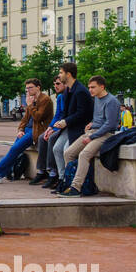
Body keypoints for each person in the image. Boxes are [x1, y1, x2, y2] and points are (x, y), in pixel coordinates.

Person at [0, 79, 53, 183]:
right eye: (26, 88)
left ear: (38, 87)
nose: (28, 90)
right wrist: (20, 129)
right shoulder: (31, 99)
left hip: (37, 130)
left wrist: (30, 105)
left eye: (30, 87)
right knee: (14, 150)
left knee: (15, 149)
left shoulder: (45, 99)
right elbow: (25, 119)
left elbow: (38, 117)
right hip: (27, 129)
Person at [61, 74, 121, 196]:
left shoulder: (112, 101)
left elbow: (110, 124)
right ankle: (70, 182)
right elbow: (99, 119)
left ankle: (76, 188)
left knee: (84, 155)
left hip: (106, 134)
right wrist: (91, 123)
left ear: (102, 87)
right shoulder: (97, 99)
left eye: (93, 87)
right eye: (89, 87)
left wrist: (91, 137)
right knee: (68, 153)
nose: (90, 90)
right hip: (93, 131)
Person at [42, 62, 93, 192]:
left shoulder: (80, 91)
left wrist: (65, 122)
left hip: (79, 128)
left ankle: (68, 181)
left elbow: (82, 113)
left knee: (66, 150)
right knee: (57, 149)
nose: (59, 75)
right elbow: (64, 113)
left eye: (61, 73)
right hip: (70, 126)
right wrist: (55, 126)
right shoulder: (68, 91)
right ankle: (62, 178)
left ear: (68, 74)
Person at [30, 72, 65, 185]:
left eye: (58, 84)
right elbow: (57, 115)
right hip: (57, 125)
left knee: (51, 138)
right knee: (42, 138)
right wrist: (50, 127)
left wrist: (54, 129)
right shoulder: (59, 97)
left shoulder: (67, 96)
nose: (55, 86)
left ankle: (53, 172)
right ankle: (41, 170)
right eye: (54, 84)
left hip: (65, 126)